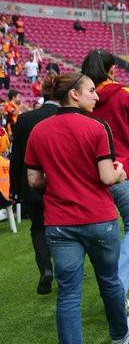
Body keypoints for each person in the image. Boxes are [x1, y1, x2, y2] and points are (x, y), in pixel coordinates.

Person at [24, 72, 129, 344]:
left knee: (69, 295)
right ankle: (119, 335)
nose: (96, 96)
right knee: (109, 280)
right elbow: (106, 177)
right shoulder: (97, 127)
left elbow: (34, 180)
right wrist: (120, 172)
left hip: (59, 223)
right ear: (74, 94)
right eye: (90, 90)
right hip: (97, 218)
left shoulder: (38, 131)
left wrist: (59, 177)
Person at [81, 49, 129, 303]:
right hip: (122, 170)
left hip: (93, 174)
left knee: (103, 234)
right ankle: (116, 289)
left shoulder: (81, 97)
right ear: (112, 70)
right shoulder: (125, 93)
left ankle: (112, 288)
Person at [9, 71, 59, 294]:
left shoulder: (25, 119)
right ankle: (66, 266)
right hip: (60, 184)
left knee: (38, 228)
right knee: (64, 226)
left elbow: (16, 158)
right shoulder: (67, 116)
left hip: (32, 185)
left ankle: (46, 268)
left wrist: (14, 189)